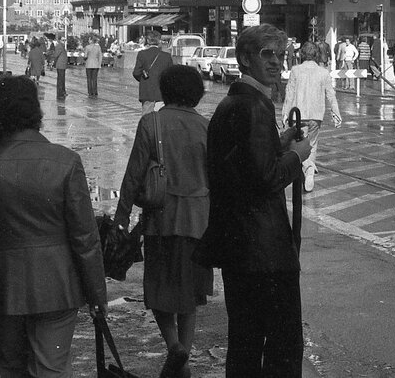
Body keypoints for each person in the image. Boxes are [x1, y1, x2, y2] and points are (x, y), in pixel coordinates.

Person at [0, 75, 107, 378]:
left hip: (3, 286)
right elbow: (85, 238)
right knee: (51, 368)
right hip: (57, 284)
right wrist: (97, 294)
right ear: (35, 111)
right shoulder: (66, 161)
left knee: (10, 367)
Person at [199, 25, 312, 377]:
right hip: (265, 253)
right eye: (267, 55)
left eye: (280, 54)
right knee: (282, 346)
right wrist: (297, 156)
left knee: (245, 344)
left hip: (239, 250)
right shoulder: (254, 106)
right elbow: (265, 177)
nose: (277, 62)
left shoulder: (231, 104)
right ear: (245, 58)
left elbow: (244, 164)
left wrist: (279, 142)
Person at [114, 65, 212, 378]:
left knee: (159, 289)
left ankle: (174, 346)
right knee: (190, 294)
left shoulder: (151, 123)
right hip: (199, 221)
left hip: (161, 220)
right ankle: (184, 356)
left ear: (164, 91)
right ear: (197, 93)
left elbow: (133, 175)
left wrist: (121, 217)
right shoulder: (206, 127)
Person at [281, 42, 343, 193]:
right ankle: (309, 172)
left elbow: (289, 93)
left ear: (302, 54)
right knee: (312, 145)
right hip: (316, 116)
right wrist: (336, 113)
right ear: (316, 55)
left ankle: (308, 166)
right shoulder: (323, 72)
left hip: (298, 115)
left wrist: (284, 113)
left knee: (297, 144)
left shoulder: (296, 70)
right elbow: (331, 95)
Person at [133, 32, 173, 114]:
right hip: (162, 94)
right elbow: (171, 76)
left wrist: (144, 79)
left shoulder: (142, 54)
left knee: (147, 120)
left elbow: (136, 73)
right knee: (161, 120)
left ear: (147, 40)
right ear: (159, 41)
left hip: (147, 93)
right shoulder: (167, 56)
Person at [45, 32, 68, 100]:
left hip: (62, 65)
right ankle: (60, 93)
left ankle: (63, 92)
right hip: (60, 65)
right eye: (63, 40)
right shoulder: (59, 46)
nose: (64, 41)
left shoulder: (61, 45)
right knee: (60, 80)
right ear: (59, 40)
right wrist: (52, 62)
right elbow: (56, 55)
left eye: (65, 40)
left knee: (62, 79)